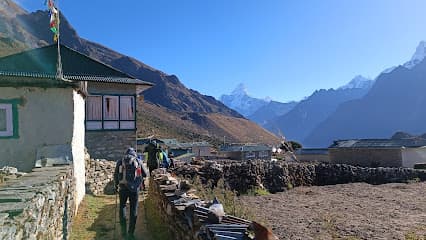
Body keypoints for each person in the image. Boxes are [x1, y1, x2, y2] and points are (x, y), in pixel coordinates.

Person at [114, 147, 144, 239]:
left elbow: (116, 174)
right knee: (133, 209)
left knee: (122, 206)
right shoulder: (138, 161)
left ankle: (123, 232)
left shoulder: (120, 161)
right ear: (134, 153)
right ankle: (131, 233)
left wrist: (116, 185)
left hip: (123, 187)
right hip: (134, 189)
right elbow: (145, 174)